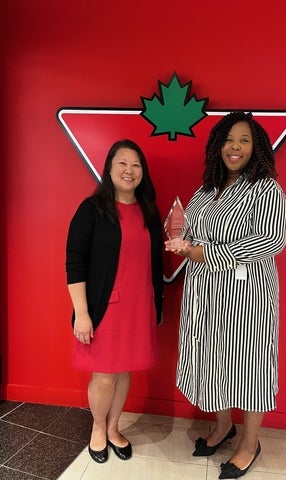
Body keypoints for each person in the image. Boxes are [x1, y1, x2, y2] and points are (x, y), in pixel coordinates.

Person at [165, 111, 286, 479]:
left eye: (244, 140)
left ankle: (249, 443)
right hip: (203, 294)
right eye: (228, 139)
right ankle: (223, 426)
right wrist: (182, 243)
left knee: (250, 366)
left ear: (257, 148)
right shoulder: (205, 190)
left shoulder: (267, 189)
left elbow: (272, 239)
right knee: (211, 360)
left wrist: (203, 252)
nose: (235, 147)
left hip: (247, 299)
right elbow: (191, 228)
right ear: (217, 145)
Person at [66, 139, 163, 464]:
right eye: (122, 163)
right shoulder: (92, 209)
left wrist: (157, 304)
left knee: (124, 372)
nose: (129, 170)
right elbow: (74, 262)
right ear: (108, 168)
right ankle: (97, 427)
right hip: (105, 308)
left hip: (139, 307)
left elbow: (155, 263)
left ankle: (114, 427)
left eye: (135, 165)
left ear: (142, 172)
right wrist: (82, 314)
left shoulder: (149, 210)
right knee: (105, 375)